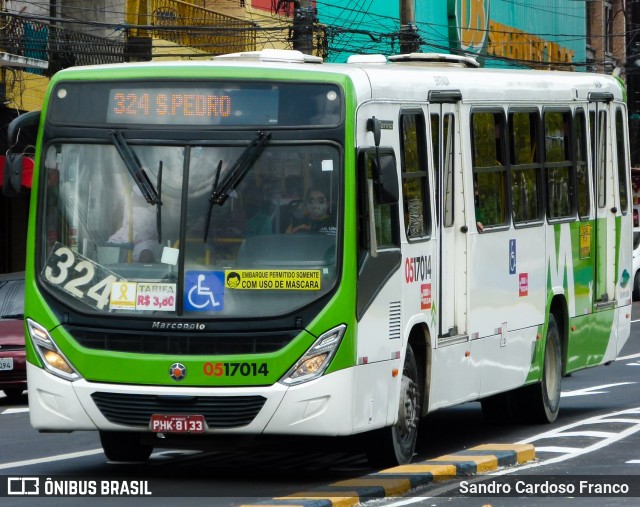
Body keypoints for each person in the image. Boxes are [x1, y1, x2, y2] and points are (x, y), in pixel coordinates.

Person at [108, 187, 159, 262]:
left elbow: (164, 226)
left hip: (145, 240)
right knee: (108, 248)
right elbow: (115, 217)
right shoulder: (127, 199)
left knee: (146, 253)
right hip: (124, 236)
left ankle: (142, 272)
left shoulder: (158, 202)